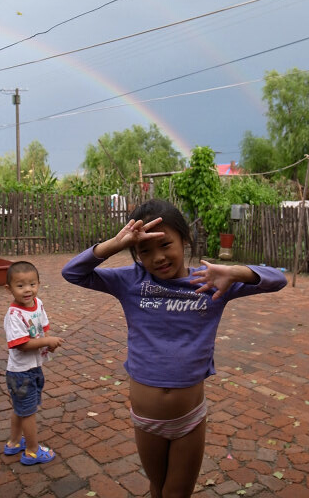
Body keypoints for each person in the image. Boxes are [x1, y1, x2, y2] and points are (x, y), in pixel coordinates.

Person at [62, 199, 287, 497]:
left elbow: (278, 279)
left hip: (189, 420)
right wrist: (115, 244)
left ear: (185, 238)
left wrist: (235, 272)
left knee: (176, 494)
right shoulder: (131, 280)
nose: (157, 258)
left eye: (166, 244)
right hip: (146, 419)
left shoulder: (211, 282)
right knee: (158, 487)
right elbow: (73, 272)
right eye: (145, 251)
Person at [3, 261, 63, 465]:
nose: (27, 290)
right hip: (20, 373)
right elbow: (21, 344)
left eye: (32, 284)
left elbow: (43, 328)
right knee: (28, 413)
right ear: (9, 289)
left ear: (38, 284)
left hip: (34, 367)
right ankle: (32, 450)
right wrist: (46, 341)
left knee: (21, 409)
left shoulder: (38, 304)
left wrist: (49, 343)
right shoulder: (14, 315)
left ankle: (13, 442)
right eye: (20, 286)